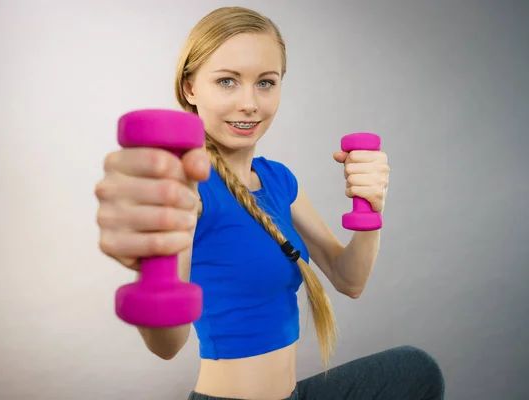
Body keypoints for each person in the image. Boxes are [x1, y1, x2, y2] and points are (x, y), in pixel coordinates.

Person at [95, 6, 445, 400]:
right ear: (190, 87)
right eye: (227, 81)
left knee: (416, 371)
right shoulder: (189, 189)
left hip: (291, 395)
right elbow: (166, 346)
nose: (250, 103)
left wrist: (372, 207)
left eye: (265, 82)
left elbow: (350, 279)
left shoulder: (279, 179)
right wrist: (154, 262)